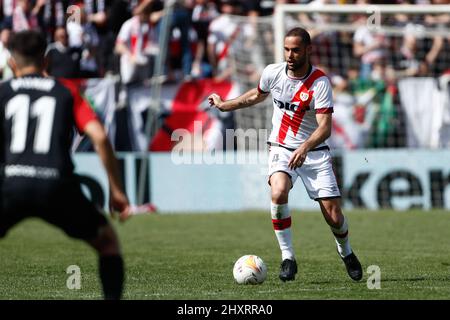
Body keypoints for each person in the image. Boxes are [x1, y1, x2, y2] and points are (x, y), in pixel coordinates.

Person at [208, 27, 363, 282]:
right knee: (278, 190)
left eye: (296, 50)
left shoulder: (320, 83)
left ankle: (345, 252)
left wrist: (304, 148)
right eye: (287, 49)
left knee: (334, 216)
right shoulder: (273, 72)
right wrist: (226, 105)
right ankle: (288, 257)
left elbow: (325, 128)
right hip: (281, 147)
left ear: (308, 50)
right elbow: (256, 95)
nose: (290, 55)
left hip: (314, 152)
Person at [0, 30, 130, 299]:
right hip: (56, 186)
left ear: (12, 64)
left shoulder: (3, 92)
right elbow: (100, 137)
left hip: (10, 184)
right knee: (108, 244)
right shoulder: (66, 91)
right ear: (46, 61)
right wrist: (116, 190)